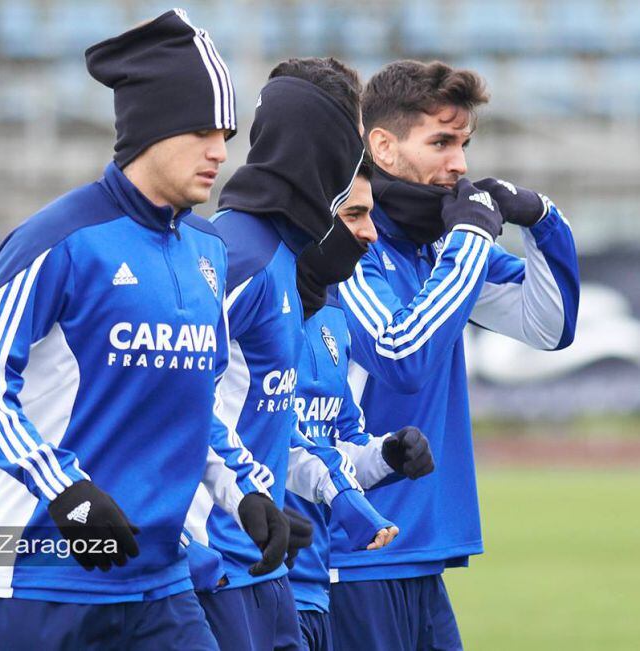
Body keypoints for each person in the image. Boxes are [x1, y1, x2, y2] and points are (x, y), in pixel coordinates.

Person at [0, 10, 286, 649]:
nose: (220, 151)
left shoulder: (208, 253)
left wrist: (243, 492)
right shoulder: (60, 239)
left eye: (228, 133)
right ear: (150, 129)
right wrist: (65, 489)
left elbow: (194, 406)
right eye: (201, 130)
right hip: (39, 585)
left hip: (163, 585)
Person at [329, 60, 580, 650]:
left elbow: (549, 325)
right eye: (441, 142)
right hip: (353, 554)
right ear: (383, 147)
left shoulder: (441, 244)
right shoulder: (342, 241)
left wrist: (542, 219)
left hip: (423, 552)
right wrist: (469, 239)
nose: (460, 165)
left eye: (465, 143)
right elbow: (401, 356)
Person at [185, 58, 393, 651]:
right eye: (351, 142)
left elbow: (268, 418)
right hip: (220, 567)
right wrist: (231, 512)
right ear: (318, 147)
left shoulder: (289, 265)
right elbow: (177, 402)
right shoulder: (234, 257)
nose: (359, 161)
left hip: (267, 563)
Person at [287, 159, 436, 651]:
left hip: (316, 587)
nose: (371, 232)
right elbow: (265, 442)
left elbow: (340, 442)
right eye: (354, 216)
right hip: (254, 582)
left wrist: (388, 454)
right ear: (313, 215)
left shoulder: (333, 312)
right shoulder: (252, 297)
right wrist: (347, 500)